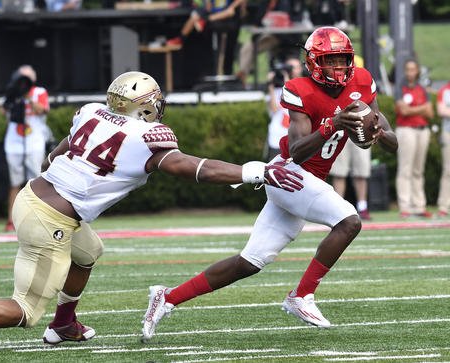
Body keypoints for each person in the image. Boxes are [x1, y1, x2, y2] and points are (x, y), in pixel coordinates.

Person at [0, 71, 303, 356]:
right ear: (143, 106)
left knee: (87, 253)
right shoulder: (147, 136)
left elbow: (59, 151)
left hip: (33, 194)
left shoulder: (91, 112)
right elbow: (196, 168)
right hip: (51, 218)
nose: (158, 108)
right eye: (153, 102)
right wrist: (256, 171)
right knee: (25, 310)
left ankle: (64, 324)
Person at [140, 26, 398, 341]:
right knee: (349, 221)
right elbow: (299, 151)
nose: (339, 68)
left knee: (250, 262)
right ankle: (302, 295)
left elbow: (389, 140)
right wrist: (332, 124)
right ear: (315, 62)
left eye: (343, 60)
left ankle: (167, 297)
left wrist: (376, 133)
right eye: (330, 61)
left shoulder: (361, 82)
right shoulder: (298, 88)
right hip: (287, 173)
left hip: (308, 184)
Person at [3, 65, 50, 232]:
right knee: (14, 182)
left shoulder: (39, 92)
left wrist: (28, 96)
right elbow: (4, 111)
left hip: (34, 141)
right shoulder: (12, 92)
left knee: (36, 181)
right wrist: (13, 97)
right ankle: (11, 219)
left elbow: (43, 110)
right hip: (14, 142)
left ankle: (38, 217)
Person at [329, 54, 372, 221]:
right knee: (339, 171)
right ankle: (337, 208)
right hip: (341, 130)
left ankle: (363, 206)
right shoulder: (334, 84)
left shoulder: (362, 81)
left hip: (360, 129)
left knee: (361, 170)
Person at [394, 58, 434, 218]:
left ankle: (419, 205)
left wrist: (413, 109)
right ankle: (405, 205)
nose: (411, 72)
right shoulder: (400, 89)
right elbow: (403, 111)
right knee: (405, 168)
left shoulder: (422, 89)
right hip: (406, 130)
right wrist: (422, 108)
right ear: (405, 71)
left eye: (413, 69)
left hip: (422, 130)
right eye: (408, 69)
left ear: (417, 71)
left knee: (418, 169)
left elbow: (430, 113)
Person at [264, 55, 303, 160]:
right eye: (290, 67)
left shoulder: (303, 87)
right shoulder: (276, 90)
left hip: (295, 140)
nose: (293, 71)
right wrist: (270, 85)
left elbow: (290, 100)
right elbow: (274, 109)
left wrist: (287, 81)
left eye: (295, 67)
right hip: (277, 139)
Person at [436, 80, 450, 218]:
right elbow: (441, 110)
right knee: (448, 170)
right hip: (448, 133)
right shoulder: (445, 90)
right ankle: (444, 206)